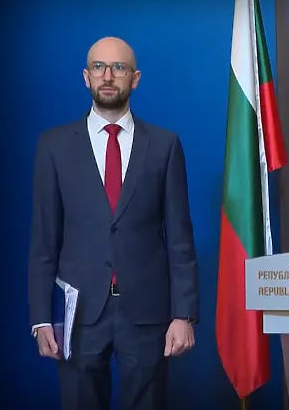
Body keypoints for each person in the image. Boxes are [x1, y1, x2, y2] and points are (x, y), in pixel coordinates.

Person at [27, 36, 199, 410]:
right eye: (98, 67)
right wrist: (40, 319)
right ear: (85, 76)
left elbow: (180, 240)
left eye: (118, 68)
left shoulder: (165, 146)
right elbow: (44, 240)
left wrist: (183, 315)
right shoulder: (54, 146)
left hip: (147, 315)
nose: (107, 76)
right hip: (80, 315)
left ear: (134, 79)